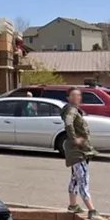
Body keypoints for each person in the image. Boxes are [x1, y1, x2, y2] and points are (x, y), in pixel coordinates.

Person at [62, 87, 104, 219]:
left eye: (79, 95)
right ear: (68, 97)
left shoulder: (73, 109)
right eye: (74, 95)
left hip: (79, 151)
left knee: (75, 179)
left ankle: (73, 205)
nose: (77, 97)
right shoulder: (71, 110)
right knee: (83, 180)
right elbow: (68, 123)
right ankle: (92, 211)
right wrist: (74, 139)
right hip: (77, 152)